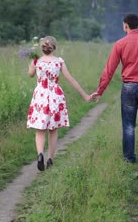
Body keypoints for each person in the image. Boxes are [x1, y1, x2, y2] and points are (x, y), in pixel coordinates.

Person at [91, 14, 138, 169]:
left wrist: (100, 90)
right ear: (137, 25)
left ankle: (129, 159)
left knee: (128, 125)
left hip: (129, 88)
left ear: (125, 25)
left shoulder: (120, 43)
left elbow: (109, 70)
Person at [27, 36, 91, 171]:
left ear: (42, 48)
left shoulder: (37, 61)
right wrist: (84, 95)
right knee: (53, 129)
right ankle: (50, 158)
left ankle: (40, 155)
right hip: (55, 96)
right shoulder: (59, 62)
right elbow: (71, 79)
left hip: (41, 95)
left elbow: (30, 74)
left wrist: (32, 63)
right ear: (54, 48)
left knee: (40, 129)